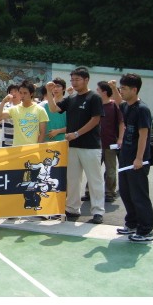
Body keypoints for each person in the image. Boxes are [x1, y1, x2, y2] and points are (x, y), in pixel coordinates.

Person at [45, 66, 105, 224]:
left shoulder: (94, 97)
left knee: (95, 180)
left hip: (91, 146)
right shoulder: (71, 98)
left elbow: (96, 119)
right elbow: (53, 108)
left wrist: (77, 133)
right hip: (72, 145)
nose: (74, 82)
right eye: (72, 80)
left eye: (77, 79)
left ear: (86, 80)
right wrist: (50, 92)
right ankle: (72, 208)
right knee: (72, 179)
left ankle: (98, 211)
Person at [115, 73, 153, 242]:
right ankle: (132, 224)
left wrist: (139, 159)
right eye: (120, 88)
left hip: (137, 161)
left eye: (123, 88)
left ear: (134, 89)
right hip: (125, 159)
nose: (121, 91)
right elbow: (119, 102)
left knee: (139, 196)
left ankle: (146, 230)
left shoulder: (142, 109)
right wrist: (113, 88)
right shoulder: (126, 106)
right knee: (126, 193)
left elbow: (144, 136)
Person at [0, 80, 49, 146]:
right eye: (20, 93)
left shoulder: (40, 110)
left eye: (25, 93)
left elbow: (42, 133)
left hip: (33, 149)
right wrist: (3, 101)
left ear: (31, 94)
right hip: (17, 148)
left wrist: (36, 148)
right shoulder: (14, 109)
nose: (22, 95)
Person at [96, 80, 124, 203]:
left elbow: (121, 123)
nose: (96, 91)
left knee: (110, 170)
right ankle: (89, 191)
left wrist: (120, 138)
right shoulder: (96, 105)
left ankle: (109, 192)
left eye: (98, 90)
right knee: (93, 169)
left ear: (104, 92)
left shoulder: (114, 106)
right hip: (95, 143)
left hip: (110, 143)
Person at [42, 78, 67, 142]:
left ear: (64, 88)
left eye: (58, 86)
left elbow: (73, 126)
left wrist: (58, 131)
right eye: (53, 87)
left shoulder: (68, 104)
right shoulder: (44, 105)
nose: (55, 89)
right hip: (47, 141)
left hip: (62, 141)